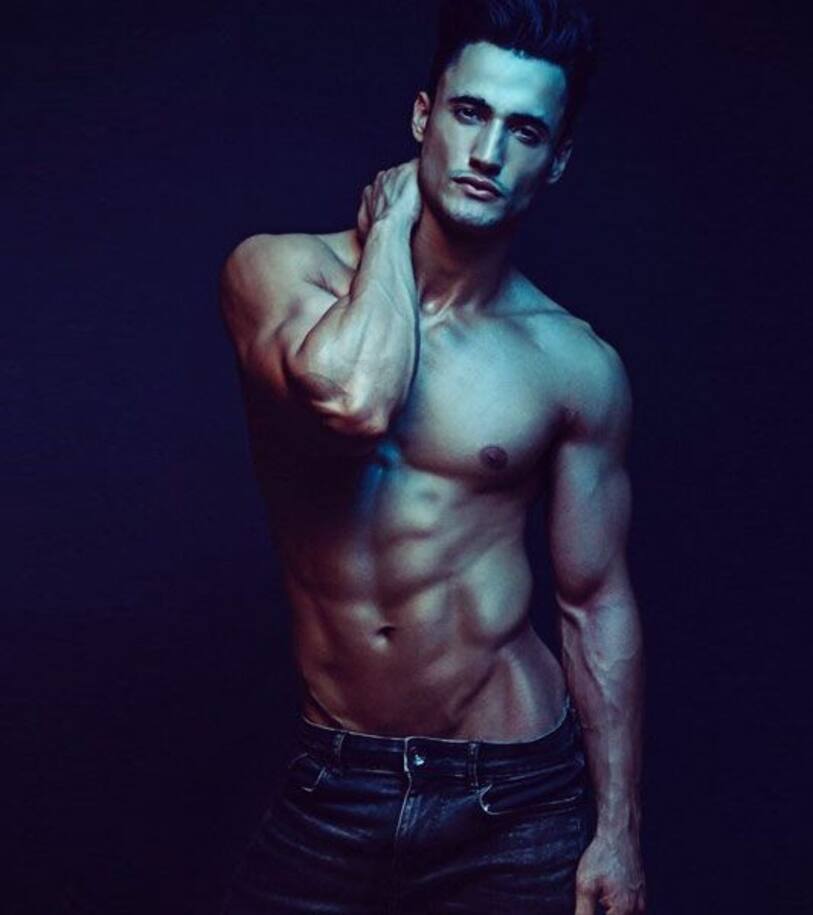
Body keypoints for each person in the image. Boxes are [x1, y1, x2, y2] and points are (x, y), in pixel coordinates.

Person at [218, 1, 645, 912]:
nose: (488, 152)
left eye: (524, 130)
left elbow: (594, 599)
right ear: (423, 116)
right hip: (334, 783)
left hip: (514, 796)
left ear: (556, 160)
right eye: (469, 113)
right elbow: (355, 398)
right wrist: (390, 233)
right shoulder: (278, 273)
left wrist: (617, 831)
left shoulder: (572, 363)